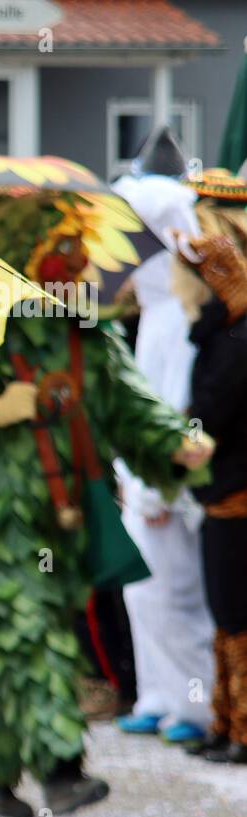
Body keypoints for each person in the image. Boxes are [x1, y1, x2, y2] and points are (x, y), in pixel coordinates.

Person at [0, 193, 212, 817]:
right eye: (57, 246)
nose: (73, 261)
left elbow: (124, 396)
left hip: (65, 517)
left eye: (77, 247)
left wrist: (173, 440)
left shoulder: (84, 328)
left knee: (17, 642)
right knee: (28, 631)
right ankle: (61, 766)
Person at [110, 139, 216, 744]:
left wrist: (158, 485)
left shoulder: (181, 314)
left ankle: (194, 704)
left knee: (178, 593)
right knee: (145, 594)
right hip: (145, 478)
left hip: (172, 484)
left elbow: (177, 410)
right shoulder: (155, 311)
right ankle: (158, 693)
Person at [177, 169, 247, 764]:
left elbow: (210, 416)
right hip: (223, 489)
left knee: (237, 609)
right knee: (225, 607)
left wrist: (177, 438)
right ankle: (227, 722)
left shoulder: (237, 336)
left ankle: (241, 726)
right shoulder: (222, 330)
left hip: (237, 490)